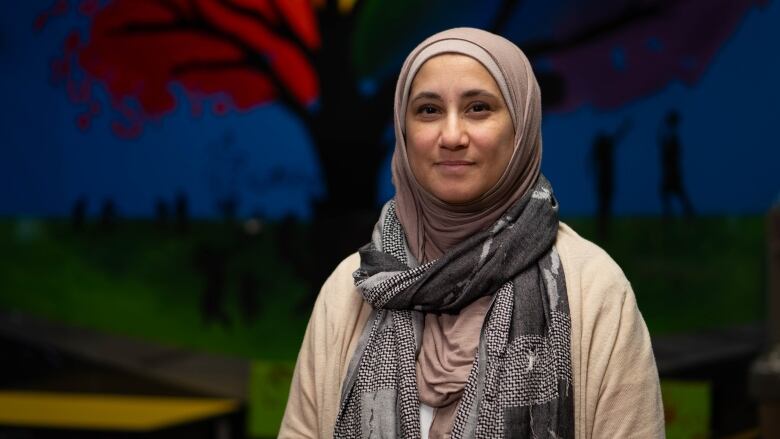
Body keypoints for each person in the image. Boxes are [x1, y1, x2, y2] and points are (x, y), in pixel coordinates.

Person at [279, 28, 664, 438]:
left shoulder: (593, 288)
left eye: (478, 108)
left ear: (520, 126)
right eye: (428, 110)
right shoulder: (351, 289)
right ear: (404, 133)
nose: (451, 136)